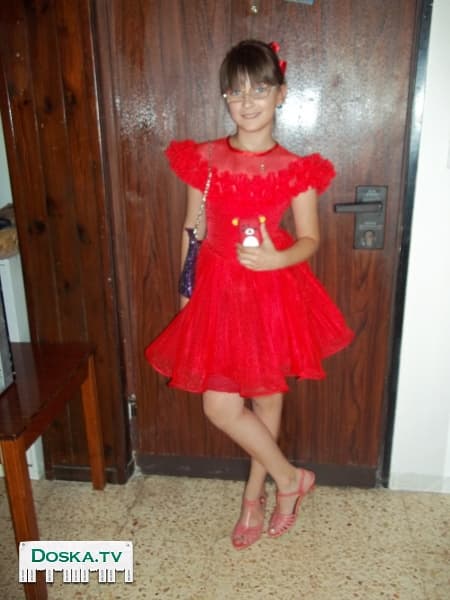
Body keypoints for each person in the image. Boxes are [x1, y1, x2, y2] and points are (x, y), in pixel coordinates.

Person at [145, 40, 354, 550]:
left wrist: (278, 259)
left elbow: (310, 239)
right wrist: (185, 295)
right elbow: (192, 229)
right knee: (220, 406)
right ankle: (291, 479)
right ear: (224, 97)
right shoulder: (205, 159)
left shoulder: (296, 168)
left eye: (260, 89)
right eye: (236, 92)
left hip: (271, 291)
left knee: (266, 397)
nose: (248, 101)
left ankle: (254, 498)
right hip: (217, 291)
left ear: (281, 94)